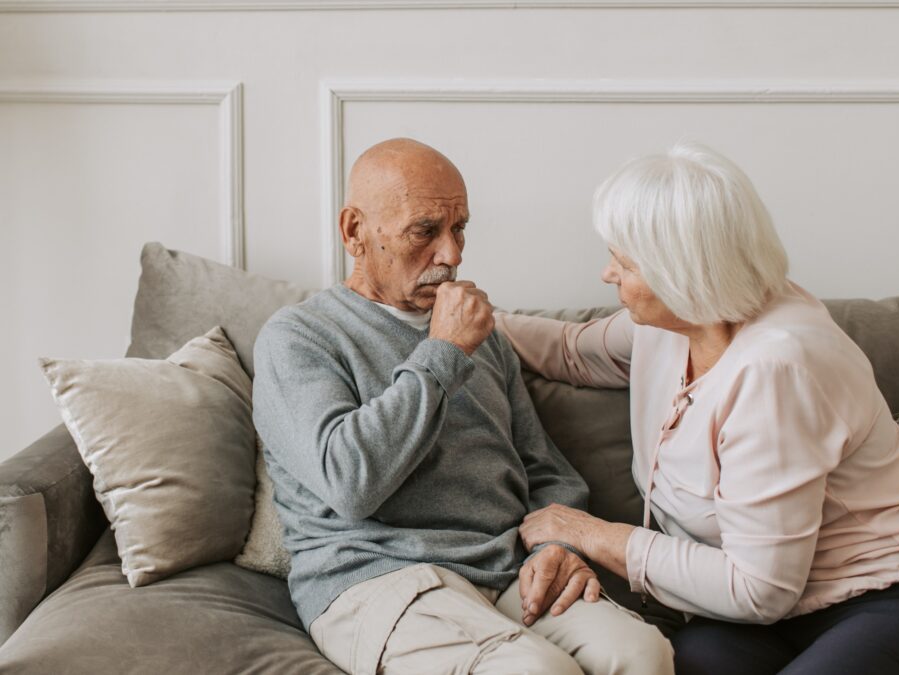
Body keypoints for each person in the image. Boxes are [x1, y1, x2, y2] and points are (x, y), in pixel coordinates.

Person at [495, 142, 899, 674]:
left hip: (891, 602)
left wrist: (590, 532)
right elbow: (572, 353)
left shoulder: (775, 367)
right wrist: (456, 318)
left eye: (623, 261)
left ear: (679, 271)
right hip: (758, 624)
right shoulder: (675, 326)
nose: (607, 273)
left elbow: (760, 590)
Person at [251, 138, 673, 675]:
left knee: (642, 652)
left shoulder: (483, 334)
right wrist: (445, 352)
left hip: (506, 566)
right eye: (425, 231)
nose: (452, 255)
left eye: (460, 228)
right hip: (379, 577)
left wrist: (558, 546)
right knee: (535, 671)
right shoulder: (300, 336)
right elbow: (350, 481)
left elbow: (543, 467)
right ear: (354, 231)